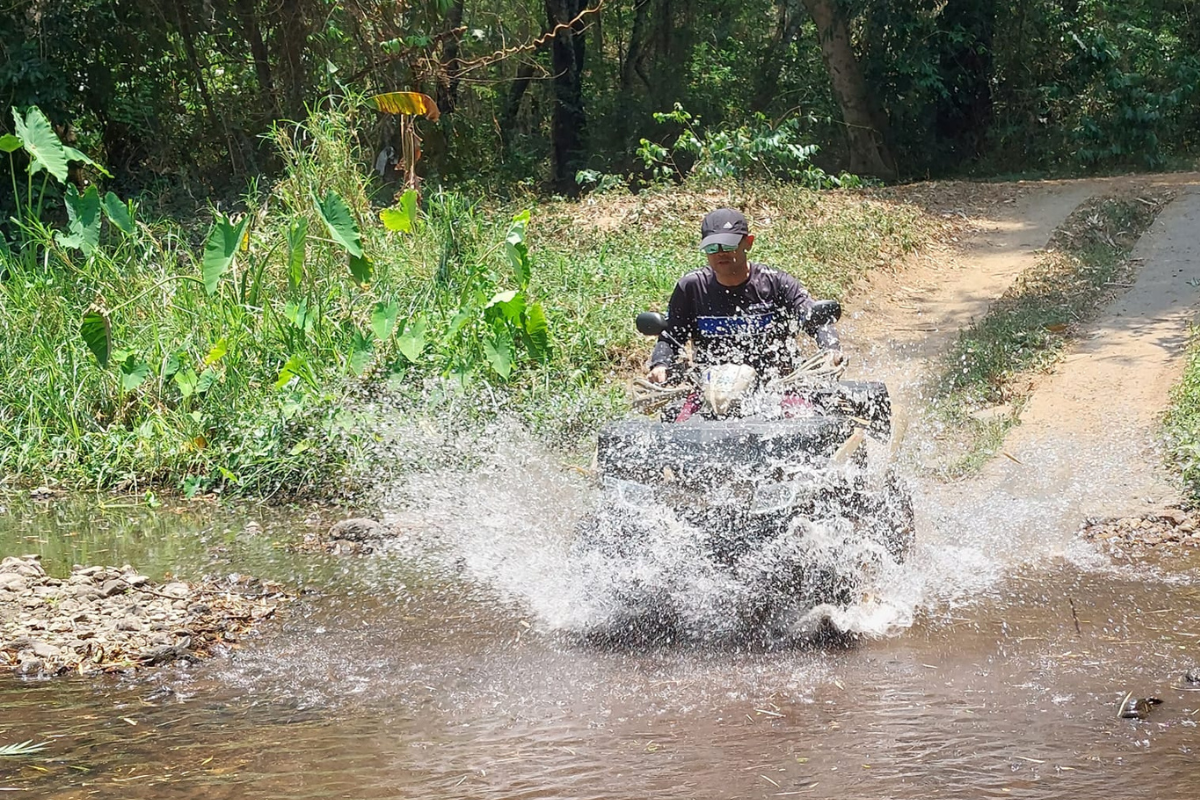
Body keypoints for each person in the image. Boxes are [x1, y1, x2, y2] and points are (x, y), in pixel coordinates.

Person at [646, 208, 842, 383]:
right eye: (712, 247)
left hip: (777, 386)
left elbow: (813, 319)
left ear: (748, 243)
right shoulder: (691, 287)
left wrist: (830, 349)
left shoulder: (777, 283)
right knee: (677, 421)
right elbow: (671, 336)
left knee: (804, 416)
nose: (720, 253)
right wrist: (660, 364)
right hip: (709, 388)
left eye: (728, 245)